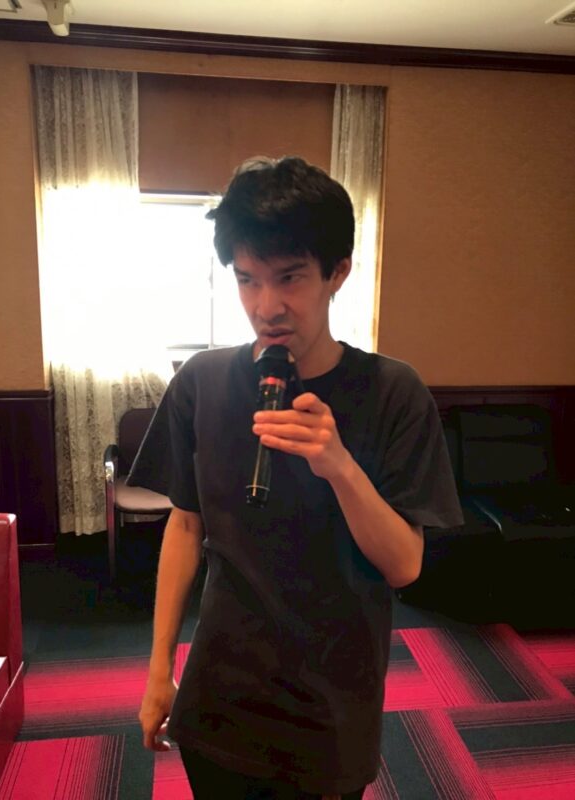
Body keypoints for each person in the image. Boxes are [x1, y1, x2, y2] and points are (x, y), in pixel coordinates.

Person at [129, 156, 464, 799]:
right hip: (220, 694)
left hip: (331, 707)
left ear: (337, 272)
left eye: (290, 277)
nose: (267, 306)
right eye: (247, 280)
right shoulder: (202, 382)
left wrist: (339, 466)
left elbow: (405, 566)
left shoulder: (393, 392)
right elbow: (186, 525)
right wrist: (158, 670)